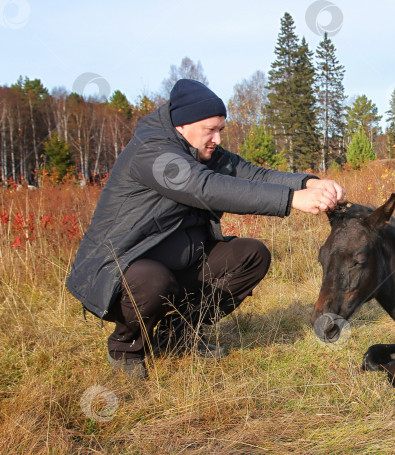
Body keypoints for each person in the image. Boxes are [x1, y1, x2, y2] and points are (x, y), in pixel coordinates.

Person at [67, 79, 345, 379]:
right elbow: (205, 187)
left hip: (180, 262)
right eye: (210, 130)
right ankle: (126, 347)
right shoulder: (152, 154)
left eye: (220, 130)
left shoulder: (202, 151)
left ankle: (178, 335)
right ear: (182, 126)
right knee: (152, 281)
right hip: (120, 269)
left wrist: (308, 182)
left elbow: (254, 174)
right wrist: (292, 200)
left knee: (252, 255)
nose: (217, 139)